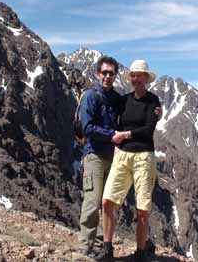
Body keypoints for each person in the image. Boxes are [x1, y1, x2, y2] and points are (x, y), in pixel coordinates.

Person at [96, 59, 161, 262]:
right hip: (123, 155)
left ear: (146, 78)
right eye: (133, 75)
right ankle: (107, 249)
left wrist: (124, 135)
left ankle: (140, 253)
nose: (136, 79)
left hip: (143, 156)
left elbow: (148, 129)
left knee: (142, 208)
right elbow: (112, 117)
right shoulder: (124, 100)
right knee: (107, 201)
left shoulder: (153, 101)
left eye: (139, 75)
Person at [77, 56, 122, 256]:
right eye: (104, 72)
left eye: (111, 73)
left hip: (111, 158)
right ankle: (85, 246)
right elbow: (87, 128)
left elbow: (132, 111)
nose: (107, 76)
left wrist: (155, 111)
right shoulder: (90, 96)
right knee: (92, 201)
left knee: (107, 202)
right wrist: (111, 135)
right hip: (93, 155)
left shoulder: (116, 99)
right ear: (97, 73)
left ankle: (99, 246)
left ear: (115, 76)